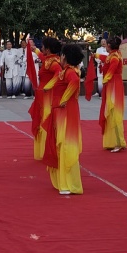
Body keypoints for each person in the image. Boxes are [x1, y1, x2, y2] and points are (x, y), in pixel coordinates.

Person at [44, 43, 84, 195]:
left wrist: (64, 100)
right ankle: (64, 182)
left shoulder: (69, 72)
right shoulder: (66, 71)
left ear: (65, 56)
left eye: (61, 55)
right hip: (61, 111)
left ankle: (68, 184)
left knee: (65, 144)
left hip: (65, 112)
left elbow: (74, 82)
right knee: (61, 144)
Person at [30, 38, 63, 160]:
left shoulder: (53, 62)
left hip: (48, 95)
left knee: (46, 120)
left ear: (48, 49)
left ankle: (48, 149)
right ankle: (45, 149)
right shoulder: (49, 59)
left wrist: (48, 86)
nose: (42, 48)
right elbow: (43, 58)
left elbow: (59, 73)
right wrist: (36, 50)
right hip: (42, 94)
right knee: (42, 118)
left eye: (43, 47)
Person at [94, 37, 127, 152]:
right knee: (111, 113)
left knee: (114, 113)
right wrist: (96, 55)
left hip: (114, 85)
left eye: (106, 45)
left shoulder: (114, 57)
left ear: (109, 46)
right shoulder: (114, 54)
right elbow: (106, 59)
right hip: (112, 84)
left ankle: (118, 142)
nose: (105, 46)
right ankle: (113, 141)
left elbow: (111, 70)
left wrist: (104, 81)